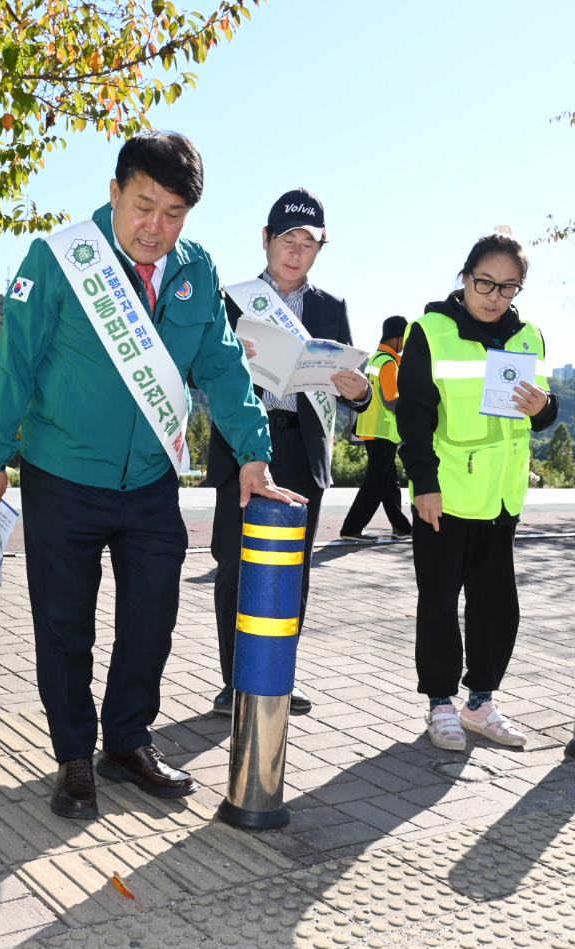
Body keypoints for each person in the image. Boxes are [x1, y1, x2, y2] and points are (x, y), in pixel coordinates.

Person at [0, 132, 300, 821]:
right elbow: (15, 358)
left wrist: (254, 451)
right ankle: (73, 755)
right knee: (64, 626)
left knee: (152, 619)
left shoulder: (196, 268)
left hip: (150, 479)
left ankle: (126, 741)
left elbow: (221, 365)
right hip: (62, 473)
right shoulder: (62, 257)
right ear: (115, 191)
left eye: (173, 213)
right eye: (144, 206)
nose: (156, 227)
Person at [207, 189, 371, 718]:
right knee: (235, 563)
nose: (296, 252)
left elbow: (354, 386)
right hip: (242, 445)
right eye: (287, 239)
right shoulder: (232, 299)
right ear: (266, 239)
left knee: (292, 569)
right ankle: (235, 679)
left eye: (309, 243)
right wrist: (229, 358)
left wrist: (360, 392)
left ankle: (277, 673)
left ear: (320, 249)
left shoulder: (331, 307)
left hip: (302, 446)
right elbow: (198, 371)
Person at [398, 230, 559, 752]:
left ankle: (480, 702)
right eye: (484, 282)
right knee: (439, 603)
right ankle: (440, 704)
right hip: (445, 496)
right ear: (465, 277)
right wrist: (424, 483)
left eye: (508, 287)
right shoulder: (430, 331)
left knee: (497, 606)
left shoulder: (530, 336)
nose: (494, 296)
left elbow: (542, 406)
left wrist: (546, 408)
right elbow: (413, 416)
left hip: (503, 497)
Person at [339, 315, 413, 542]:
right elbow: (391, 400)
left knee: (388, 482)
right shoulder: (388, 362)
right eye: (405, 338)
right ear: (397, 337)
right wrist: (414, 409)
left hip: (371, 427)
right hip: (383, 430)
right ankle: (351, 528)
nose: (405, 344)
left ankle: (401, 528)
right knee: (376, 482)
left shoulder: (376, 359)